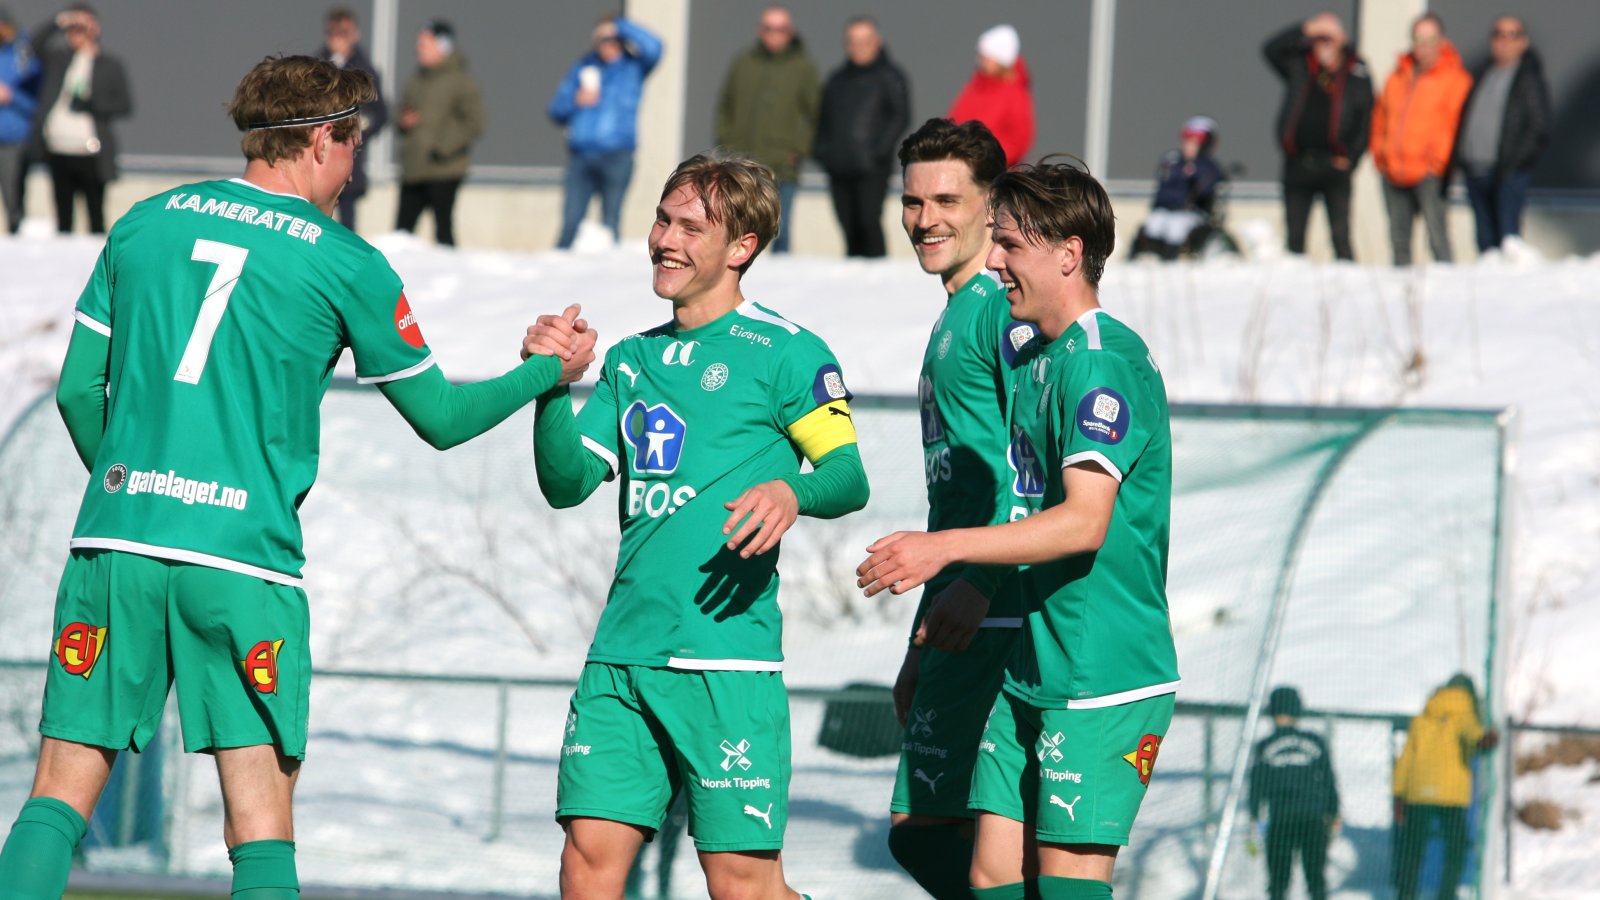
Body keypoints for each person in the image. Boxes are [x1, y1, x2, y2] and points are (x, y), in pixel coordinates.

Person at [0, 54, 595, 899]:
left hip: (116, 544)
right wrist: (545, 372)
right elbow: (442, 419)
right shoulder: (347, 262)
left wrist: (141, 489)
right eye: (353, 147)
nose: (354, 171)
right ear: (321, 140)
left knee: (57, 799)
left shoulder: (144, 222)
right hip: (240, 563)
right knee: (260, 830)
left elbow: (73, 392)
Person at [526, 151, 869, 899]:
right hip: (622, 658)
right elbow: (566, 483)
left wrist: (790, 491)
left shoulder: (789, 352)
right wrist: (550, 387)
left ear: (741, 246)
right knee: (586, 869)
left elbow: (848, 477)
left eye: (690, 227)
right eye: (662, 220)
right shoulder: (631, 360)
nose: (665, 240)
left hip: (726, 664)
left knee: (743, 885)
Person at [858, 158, 1179, 900]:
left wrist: (946, 550)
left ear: (1069, 253)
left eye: (1010, 245)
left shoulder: (1100, 363)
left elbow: (1084, 522)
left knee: (1066, 884)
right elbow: (1021, 504)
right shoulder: (1041, 359)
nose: (995, 261)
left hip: (1100, 669)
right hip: (1032, 660)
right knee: (991, 873)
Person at [885, 117, 1035, 900]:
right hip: (958, 602)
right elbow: (959, 491)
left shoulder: (998, 312)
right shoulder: (956, 314)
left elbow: (1027, 466)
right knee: (937, 832)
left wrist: (980, 582)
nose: (926, 219)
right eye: (914, 201)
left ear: (991, 206)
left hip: (999, 610)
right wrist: (923, 634)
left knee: (944, 832)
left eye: (947, 200)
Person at [548, 13, 663, 250]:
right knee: (570, 223)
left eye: (612, 39)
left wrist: (619, 26)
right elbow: (556, 110)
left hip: (617, 155)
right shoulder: (584, 67)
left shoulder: (632, 68)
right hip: (581, 156)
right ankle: (559, 266)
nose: (607, 45)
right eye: (601, 40)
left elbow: (655, 47)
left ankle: (609, 268)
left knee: (610, 223)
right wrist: (575, 100)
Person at [1262, 13, 1372, 261]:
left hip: (1335, 167)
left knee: (1340, 236)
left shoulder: (1356, 72)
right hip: (1298, 164)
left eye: (1329, 39)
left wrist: (1351, 159)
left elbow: (1366, 122)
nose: (1325, 45)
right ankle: (1295, 280)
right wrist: (1308, 28)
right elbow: (1270, 50)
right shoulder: (1301, 66)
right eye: (1320, 39)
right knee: (1295, 238)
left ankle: (1348, 279)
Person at [714, 5, 819, 255]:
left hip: (782, 164)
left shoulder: (803, 67)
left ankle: (780, 276)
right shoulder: (744, 62)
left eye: (780, 29)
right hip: (741, 162)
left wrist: (798, 150)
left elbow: (815, 115)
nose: (774, 34)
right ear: (760, 31)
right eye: (769, 28)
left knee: (779, 230)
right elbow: (725, 104)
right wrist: (726, 142)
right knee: (736, 228)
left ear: (790, 32)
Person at [1372, 13, 1472, 266]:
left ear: (1441, 41)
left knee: (1438, 239)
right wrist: (1380, 155)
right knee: (1398, 241)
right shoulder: (1397, 75)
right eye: (1418, 39)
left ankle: (1446, 285)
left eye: (1430, 39)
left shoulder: (1455, 79)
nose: (1423, 46)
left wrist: (1436, 163)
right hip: (1393, 169)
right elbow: (1380, 117)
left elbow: (1454, 126)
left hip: (1429, 172)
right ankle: (1402, 288)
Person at [1392, 673, 1499, 900]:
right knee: (1457, 847)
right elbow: (1473, 733)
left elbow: (1405, 760)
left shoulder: (1422, 719)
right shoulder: (1464, 713)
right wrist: (1485, 739)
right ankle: (1447, 894)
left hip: (1417, 794)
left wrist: (1398, 795)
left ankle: (1405, 895)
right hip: (1450, 796)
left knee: (1412, 850)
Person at [1454, 15, 1550, 262]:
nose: (1503, 41)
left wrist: (1515, 163)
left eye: (1511, 34)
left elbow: (1538, 126)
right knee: (1485, 245)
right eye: (1498, 34)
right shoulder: (1483, 74)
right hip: (1477, 171)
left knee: (1509, 243)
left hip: (1508, 172)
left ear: (1523, 42)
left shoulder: (1528, 77)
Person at [813, 15, 909, 258]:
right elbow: (823, 119)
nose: (859, 47)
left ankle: (877, 272)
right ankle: (853, 274)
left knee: (868, 221)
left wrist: (878, 150)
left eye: (865, 41)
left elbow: (900, 116)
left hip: (871, 168)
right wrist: (823, 152)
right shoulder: (837, 79)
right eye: (853, 41)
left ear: (877, 41)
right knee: (847, 225)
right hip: (839, 166)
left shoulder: (890, 77)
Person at [29, 3, 130, 235]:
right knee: (63, 216)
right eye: (72, 30)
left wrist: (92, 104)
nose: (77, 34)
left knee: (95, 215)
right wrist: (59, 21)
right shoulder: (58, 60)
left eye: (82, 29)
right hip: (58, 147)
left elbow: (124, 104)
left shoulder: (109, 65)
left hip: (90, 150)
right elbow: (33, 46)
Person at [1247, 686, 1340, 900]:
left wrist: (1254, 815)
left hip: (1281, 819)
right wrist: (1333, 811)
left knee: (1278, 881)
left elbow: (1257, 785)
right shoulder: (1315, 741)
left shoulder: (1265, 745)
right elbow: (1328, 779)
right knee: (1316, 879)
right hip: (1312, 819)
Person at [396, 19, 484, 247]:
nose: (419, 49)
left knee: (443, 233)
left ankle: (448, 268)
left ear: (443, 46)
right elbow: (401, 113)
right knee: (401, 234)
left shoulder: (461, 81)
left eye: (425, 44)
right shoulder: (416, 79)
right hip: (414, 167)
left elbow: (475, 123)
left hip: (444, 169)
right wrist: (403, 121)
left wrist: (443, 147)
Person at [319, 6, 388, 232]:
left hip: (348, 158)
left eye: (343, 33)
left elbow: (380, 113)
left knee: (347, 222)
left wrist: (356, 133)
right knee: (316, 218)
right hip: (319, 154)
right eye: (333, 33)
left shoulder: (364, 69)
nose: (337, 39)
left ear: (354, 35)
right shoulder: (316, 65)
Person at [1130, 116, 1228, 261]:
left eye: (1196, 140)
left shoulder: (1209, 166)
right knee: (1154, 224)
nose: (1190, 144)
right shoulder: (1172, 161)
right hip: (1165, 209)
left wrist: (1194, 171)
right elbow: (1164, 187)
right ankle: (1149, 252)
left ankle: (1172, 256)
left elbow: (1206, 191)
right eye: (1188, 139)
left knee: (1176, 227)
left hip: (1190, 212)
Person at [948, 25, 1033, 168]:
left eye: (987, 57)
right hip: (961, 165)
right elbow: (954, 121)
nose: (981, 60)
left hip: (994, 171)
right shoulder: (975, 86)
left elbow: (1018, 141)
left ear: (1000, 59)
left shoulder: (1015, 92)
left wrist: (985, 157)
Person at [0, 5, 40, 234]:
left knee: (13, 192)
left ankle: (17, 232)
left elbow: (37, 102)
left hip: (13, 137)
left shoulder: (24, 57)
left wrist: (11, 96)